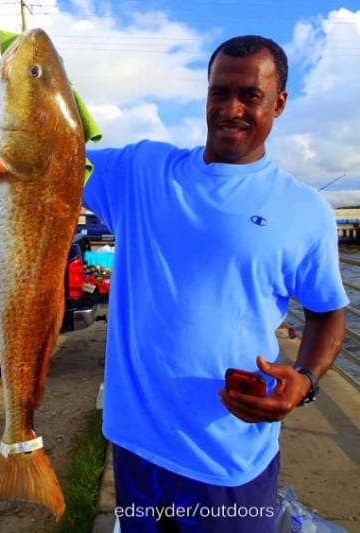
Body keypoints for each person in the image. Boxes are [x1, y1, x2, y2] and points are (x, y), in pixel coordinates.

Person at [83, 35, 348, 532]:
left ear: (279, 103)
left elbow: (329, 315)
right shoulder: (140, 171)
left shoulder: (305, 210)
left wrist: (305, 382)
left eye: (250, 95)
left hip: (228, 463)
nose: (231, 109)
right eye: (218, 92)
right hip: (136, 448)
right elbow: (42, 158)